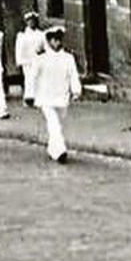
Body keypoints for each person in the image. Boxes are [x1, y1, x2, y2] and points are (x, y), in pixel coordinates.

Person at [31, 25, 83, 163]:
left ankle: (52, 149)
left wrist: (76, 90)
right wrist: (29, 95)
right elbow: (33, 76)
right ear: (49, 41)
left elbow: (73, 75)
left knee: (58, 124)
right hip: (46, 97)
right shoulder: (41, 58)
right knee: (54, 124)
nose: (57, 43)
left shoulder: (68, 57)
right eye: (54, 40)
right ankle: (60, 151)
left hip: (62, 97)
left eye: (59, 40)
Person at [15, 12, 47, 107]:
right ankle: (29, 98)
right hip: (27, 60)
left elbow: (45, 47)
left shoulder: (41, 34)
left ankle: (38, 98)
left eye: (33, 21)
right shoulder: (22, 35)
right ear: (26, 22)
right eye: (29, 21)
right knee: (29, 79)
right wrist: (20, 60)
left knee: (38, 78)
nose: (31, 23)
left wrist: (42, 52)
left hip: (38, 59)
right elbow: (19, 48)